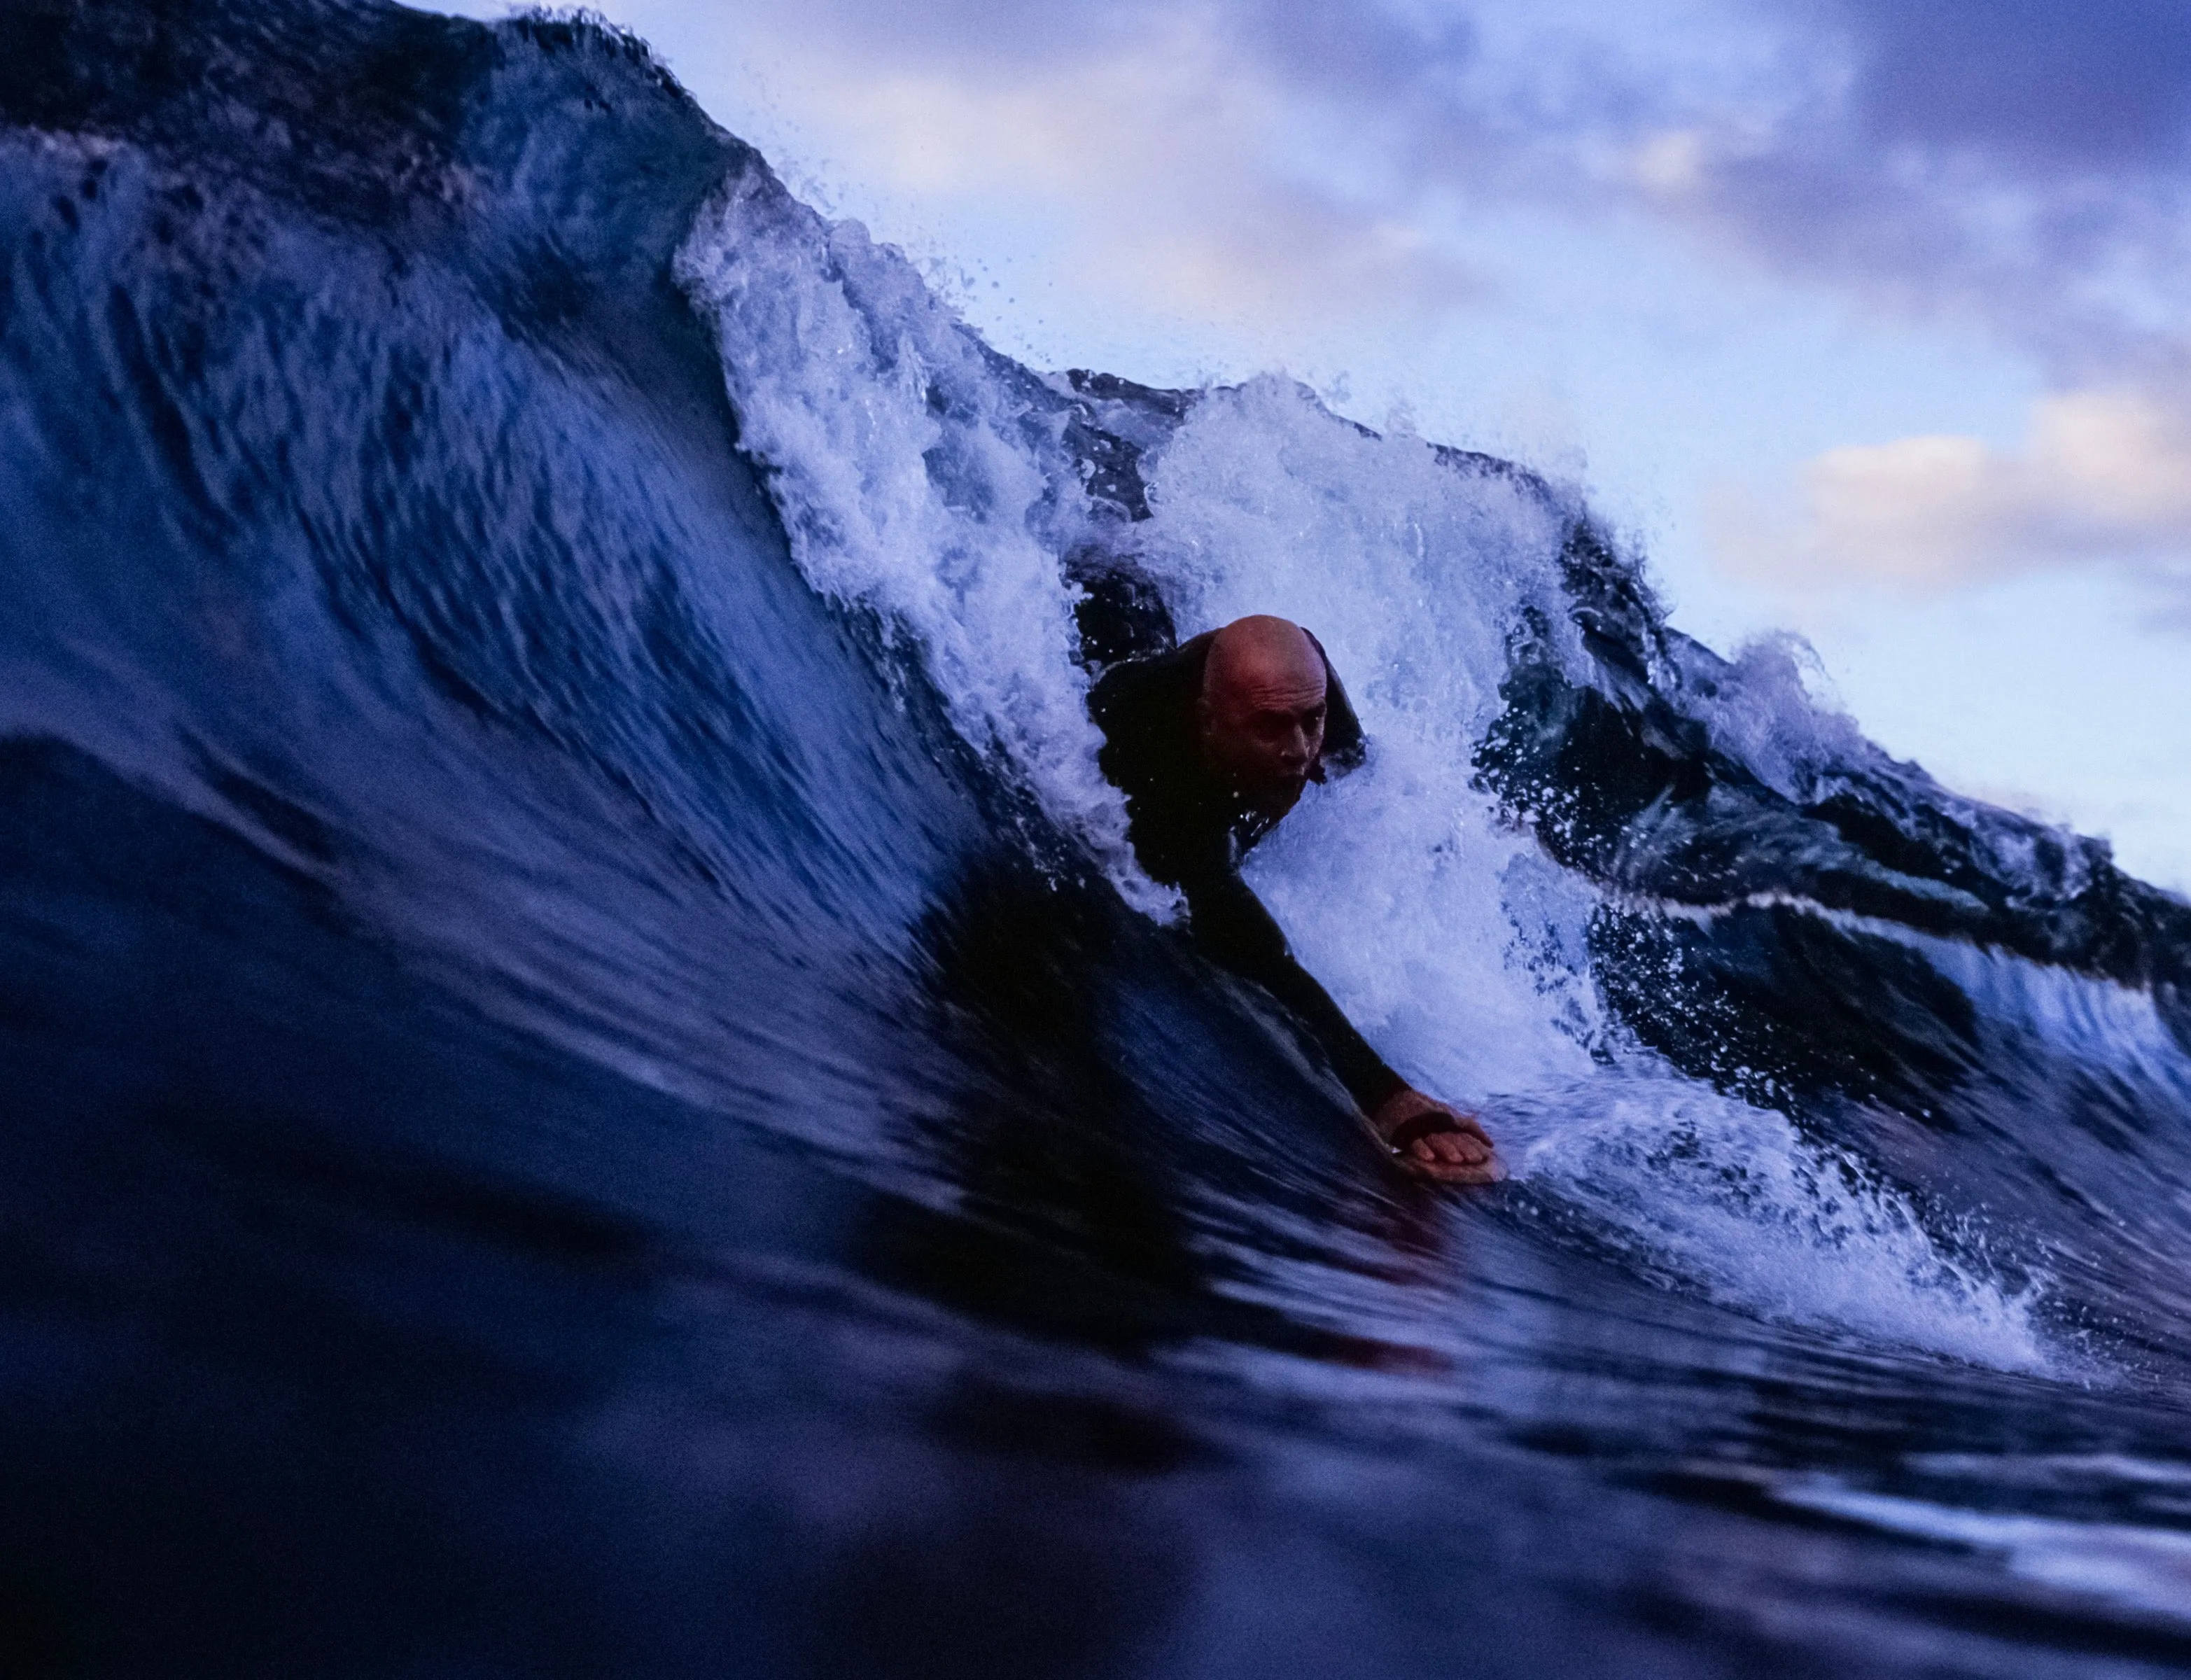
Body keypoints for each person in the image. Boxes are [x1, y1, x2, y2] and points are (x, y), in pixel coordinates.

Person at [1087, 612, 1499, 1185]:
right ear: (1208, 723)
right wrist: (1385, 1095)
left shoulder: (1306, 680)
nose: (1300, 751)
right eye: (1272, 727)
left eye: (1312, 721)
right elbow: (1257, 951)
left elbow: (1353, 764)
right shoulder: (1156, 774)